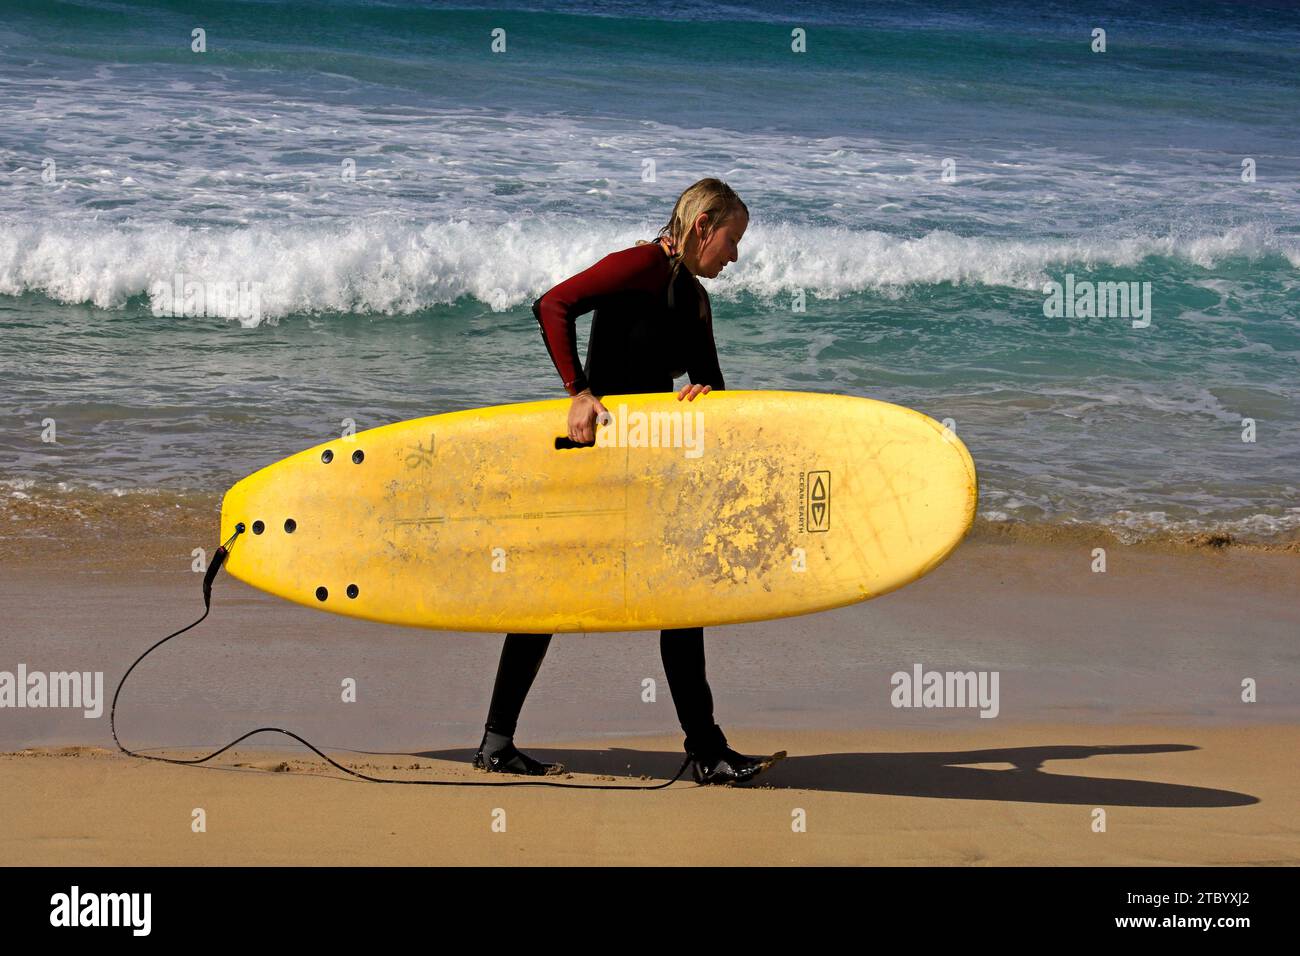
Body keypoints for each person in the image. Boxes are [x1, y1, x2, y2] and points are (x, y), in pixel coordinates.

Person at [472, 178, 771, 785]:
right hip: (594, 460)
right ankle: (496, 743)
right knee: (548, 594)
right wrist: (578, 392)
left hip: (648, 466)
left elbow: (714, 385)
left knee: (680, 603)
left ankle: (707, 749)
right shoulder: (637, 264)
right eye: (731, 240)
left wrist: (701, 396)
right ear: (702, 227)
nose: (735, 255)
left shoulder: (692, 299)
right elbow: (551, 305)